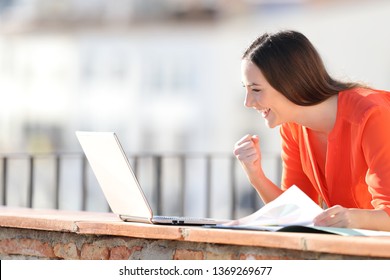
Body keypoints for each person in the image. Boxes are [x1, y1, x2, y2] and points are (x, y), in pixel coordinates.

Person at [234, 30, 390, 231]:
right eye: (245, 89)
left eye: (256, 89)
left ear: (291, 83)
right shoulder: (293, 127)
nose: (247, 102)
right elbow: (295, 214)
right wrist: (255, 175)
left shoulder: (373, 114)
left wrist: (355, 220)